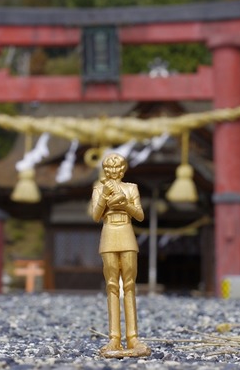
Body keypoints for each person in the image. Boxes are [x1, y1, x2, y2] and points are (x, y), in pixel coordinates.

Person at [90, 153, 150, 357]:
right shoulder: (99, 188)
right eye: (109, 168)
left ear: (123, 169)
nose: (113, 172)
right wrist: (104, 196)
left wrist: (125, 204)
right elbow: (95, 216)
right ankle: (114, 338)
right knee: (112, 286)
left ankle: (133, 337)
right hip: (108, 233)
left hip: (126, 231)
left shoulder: (131, 188)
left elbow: (140, 215)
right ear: (105, 170)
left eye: (117, 168)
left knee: (130, 284)